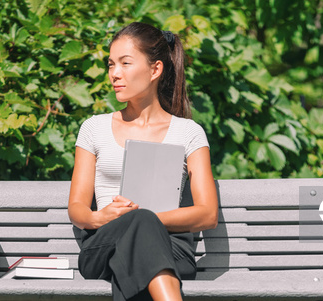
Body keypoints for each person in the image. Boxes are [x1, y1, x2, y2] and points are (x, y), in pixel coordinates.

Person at [68, 22, 218, 301]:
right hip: (104, 246)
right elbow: (77, 208)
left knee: (141, 243)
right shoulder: (93, 128)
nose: (114, 74)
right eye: (111, 64)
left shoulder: (188, 133)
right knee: (139, 246)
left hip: (171, 248)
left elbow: (207, 214)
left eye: (125, 63)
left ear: (155, 69)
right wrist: (98, 217)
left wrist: (143, 219)